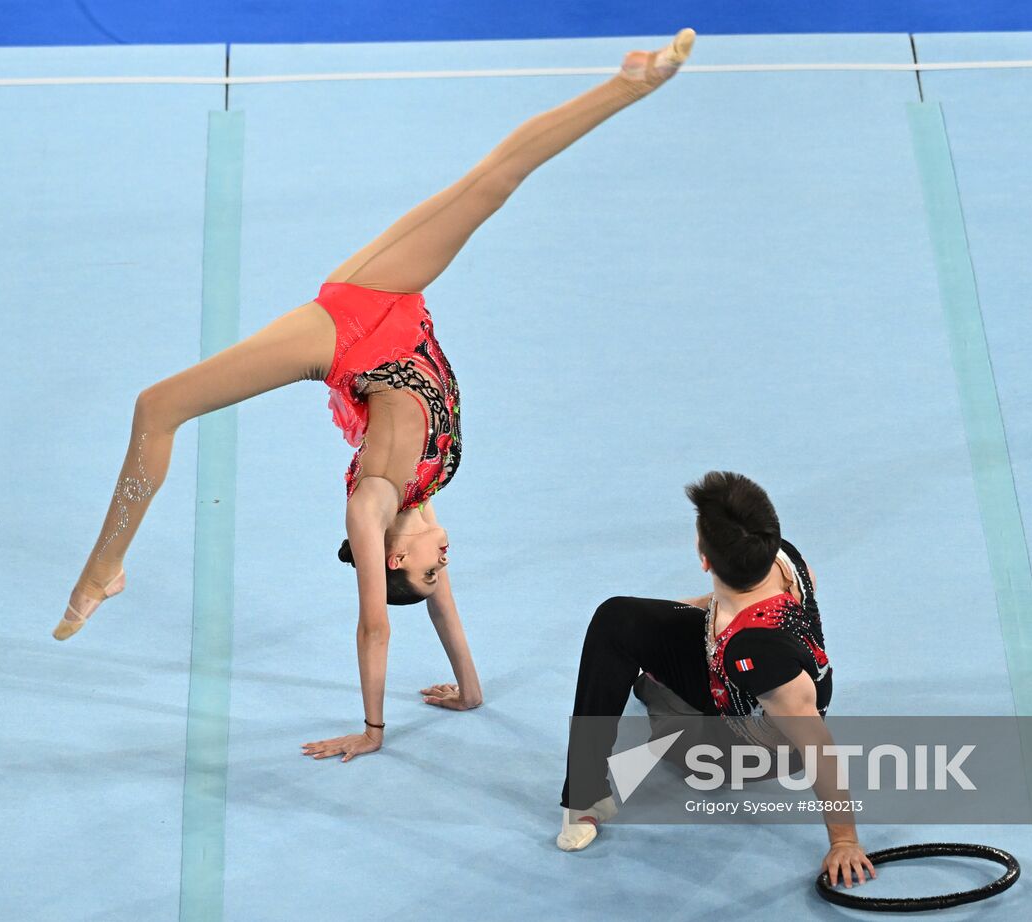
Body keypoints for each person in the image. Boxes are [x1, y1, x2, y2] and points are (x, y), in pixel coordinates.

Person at [52, 30, 699, 763]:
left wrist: (373, 730)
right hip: (395, 313)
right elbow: (440, 609)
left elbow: (376, 627)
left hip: (348, 334)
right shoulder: (426, 498)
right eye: (441, 568)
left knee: (156, 407)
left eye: (429, 566)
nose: (444, 560)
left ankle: (103, 568)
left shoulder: (372, 509)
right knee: (492, 182)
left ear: (389, 560)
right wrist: (471, 689)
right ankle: (632, 84)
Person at [558, 470, 876, 889]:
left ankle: (585, 797)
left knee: (669, 729)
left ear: (704, 558)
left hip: (741, 748)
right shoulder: (782, 556)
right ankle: (602, 765)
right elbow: (729, 602)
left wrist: (844, 840)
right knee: (618, 619)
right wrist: (655, 626)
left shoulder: (754, 653)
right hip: (733, 679)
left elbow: (816, 743)